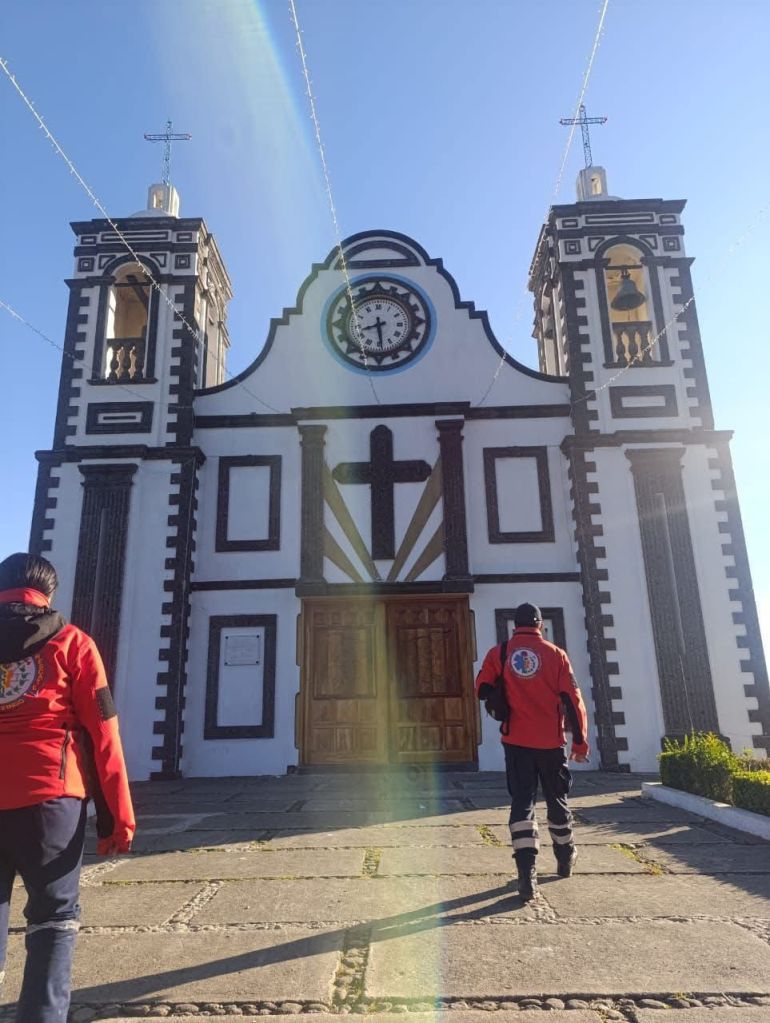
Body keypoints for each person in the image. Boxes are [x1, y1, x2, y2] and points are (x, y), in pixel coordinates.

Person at [0, 552, 135, 1022]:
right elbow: (104, 731)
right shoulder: (74, 643)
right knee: (54, 918)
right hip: (49, 802)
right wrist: (118, 819)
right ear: (49, 593)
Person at [475, 602, 589, 901]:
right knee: (557, 801)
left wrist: (506, 689)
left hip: (516, 742)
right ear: (540, 625)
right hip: (551, 743)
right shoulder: (556, 655)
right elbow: (573, 701)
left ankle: (527, 876)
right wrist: (580, 742)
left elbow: (481, 689)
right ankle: (565, 858)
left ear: (516, 625)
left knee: (522, 804)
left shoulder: (499, 653)